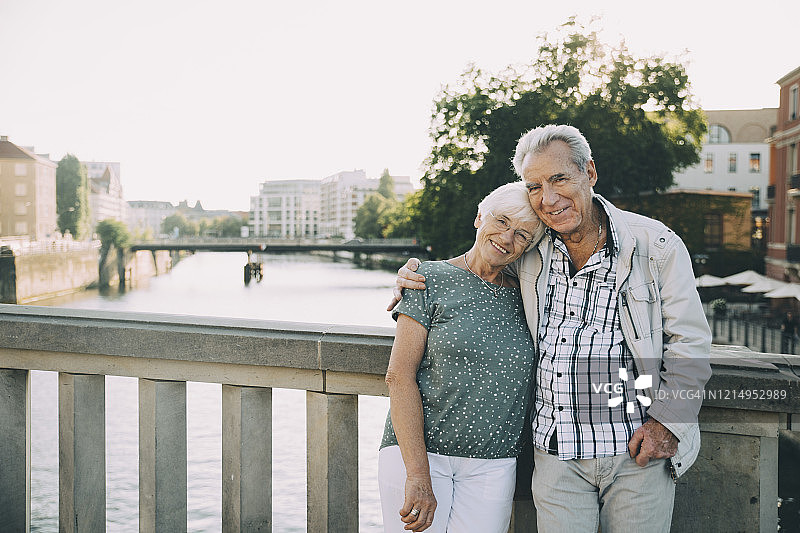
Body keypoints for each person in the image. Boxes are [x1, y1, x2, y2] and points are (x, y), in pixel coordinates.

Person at [390, 124, 712, 532]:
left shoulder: (656, 246)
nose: (549, 198)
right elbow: (478, 263)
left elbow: (691, 342)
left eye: (559, 178)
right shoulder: (531, 250)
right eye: (535, 185)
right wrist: (418, 277)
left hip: (636, 454)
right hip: (557, 460)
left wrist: (669, 422)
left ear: (589, 173)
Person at [379, 181, 542, 533]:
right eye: (501, 221)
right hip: (420, 455)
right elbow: (398, 377)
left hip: (494, 463)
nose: (507, 238)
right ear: (479, 217)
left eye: (523, 235)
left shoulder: (528, 297)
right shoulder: (427, 278)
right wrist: (418, 475)